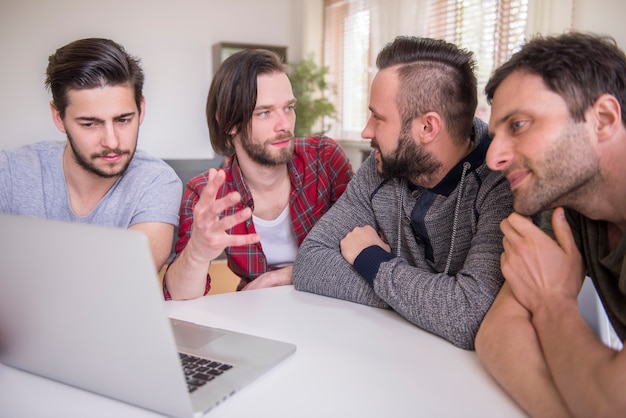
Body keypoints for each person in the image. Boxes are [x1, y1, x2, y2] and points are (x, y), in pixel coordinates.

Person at [292, 36, 514, 350]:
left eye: (378, 117)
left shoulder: (500, 183)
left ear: (427, 127)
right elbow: (311, 263)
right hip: (389, 357)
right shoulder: (382, 167)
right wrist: (430, 301)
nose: (366, 131)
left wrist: (370, 258)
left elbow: (470, 315)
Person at [475, 31, 626, 417]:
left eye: (519, 125)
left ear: (603, 119)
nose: (493, 158)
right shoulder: (567, 204)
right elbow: (498, 332)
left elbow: (612, 402)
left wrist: (552, 303)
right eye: (495, 135)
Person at [163, 49, 353, 300]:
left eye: (288, 108)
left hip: (333, 303)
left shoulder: (325, 159)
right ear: (229, 123)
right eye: (264, 112)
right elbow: (179, 298)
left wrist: (284, 276)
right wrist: (197, 253)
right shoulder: (207, 193)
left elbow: (365, 249)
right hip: (258, 311)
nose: (284, 124)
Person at [0, 38, 182, 271]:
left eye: (123, 120)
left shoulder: (156, 181)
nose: (112, 141)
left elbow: (127, 277)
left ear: (141, 109)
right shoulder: (10, 173)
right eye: (89, 124)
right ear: (59, 117)